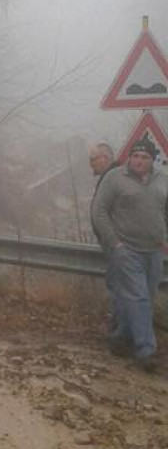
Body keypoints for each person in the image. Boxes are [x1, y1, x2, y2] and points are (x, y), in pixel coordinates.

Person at [91, 138, 168, 371]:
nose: (138, 161)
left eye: (143, 157)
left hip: (153, 251)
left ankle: (118, 339)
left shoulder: (162, 180)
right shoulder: (115, 178)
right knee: (139, 297)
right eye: (135, 156)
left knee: (141, 298)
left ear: (151, 160)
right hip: (126, 249)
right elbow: (99, 211)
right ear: (129, 158)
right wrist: (114, 243)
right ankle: (145, 350)